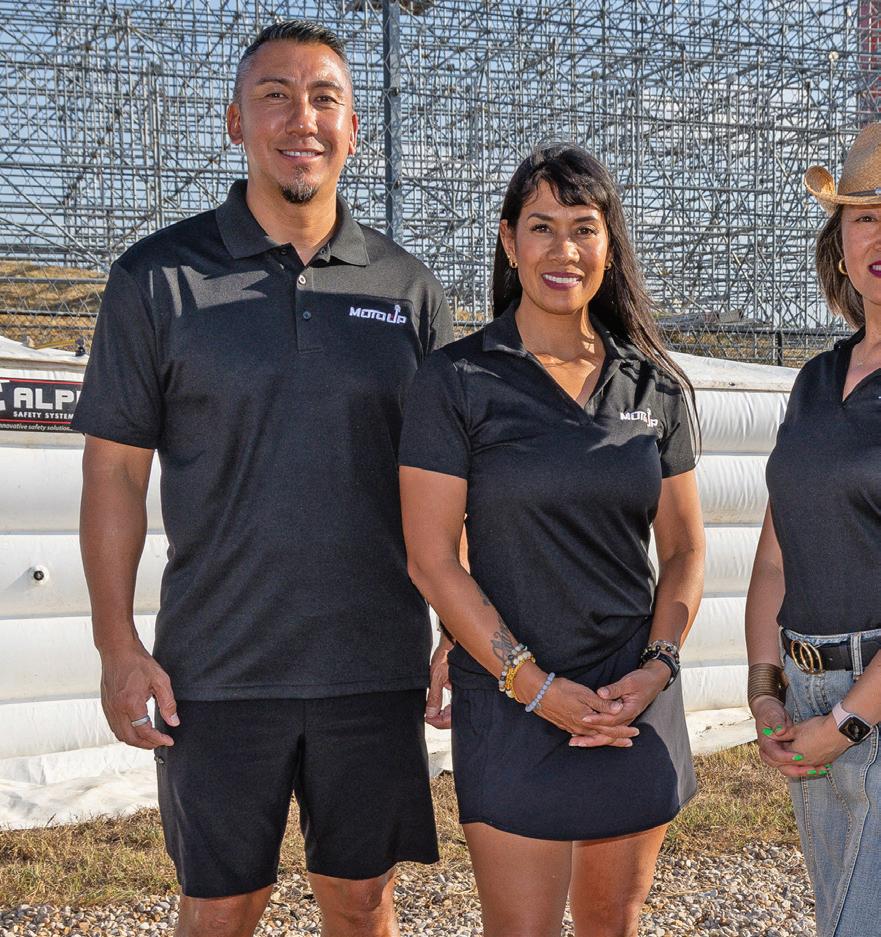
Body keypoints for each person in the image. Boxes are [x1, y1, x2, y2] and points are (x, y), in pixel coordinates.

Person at [71, 20, 452, 937]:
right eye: (274, 96)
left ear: (353, 128)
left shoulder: (407, 288)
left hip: (372, 665)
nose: (301, 118)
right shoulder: (157, 278)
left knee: (361, 899)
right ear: (236, 121)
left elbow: (445, 481)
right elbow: (114, 475)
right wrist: (117, 646)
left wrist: (460, 629)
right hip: (215, 666)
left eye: (324, 98)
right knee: (221, 903)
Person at [397, 144, 705, 937]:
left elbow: (683, 550)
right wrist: (531, 684)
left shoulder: (655, 387)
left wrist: (656, 668)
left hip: (630, 696)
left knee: (610, 921)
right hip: (509, 695)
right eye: (541, 226)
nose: (562, 250)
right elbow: (431, 558)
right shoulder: (456, 381)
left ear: (608, 245)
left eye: (582, 228)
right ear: (509, 241)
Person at [746, 121, 881, 937]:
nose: (880, 236)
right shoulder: (814, 379)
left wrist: (848, 721)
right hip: (807, 694)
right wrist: (765, 686)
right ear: (839, 239)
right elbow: (774, 555)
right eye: (865, 216)